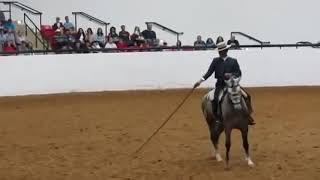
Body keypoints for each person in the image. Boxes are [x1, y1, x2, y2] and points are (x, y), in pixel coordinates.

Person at [193, 40, 255, 130]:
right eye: (219, 51)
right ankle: (217, 117)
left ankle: (247, 115)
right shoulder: (215, 61)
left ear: (225, 51)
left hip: (232, 85)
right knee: (214, 99)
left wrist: (231, 75)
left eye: (221, 51)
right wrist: (200, 81)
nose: (220, 52)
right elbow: (209, 72)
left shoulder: (233, 61)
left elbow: (238, 72)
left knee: (247, 95)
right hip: (220, 85)